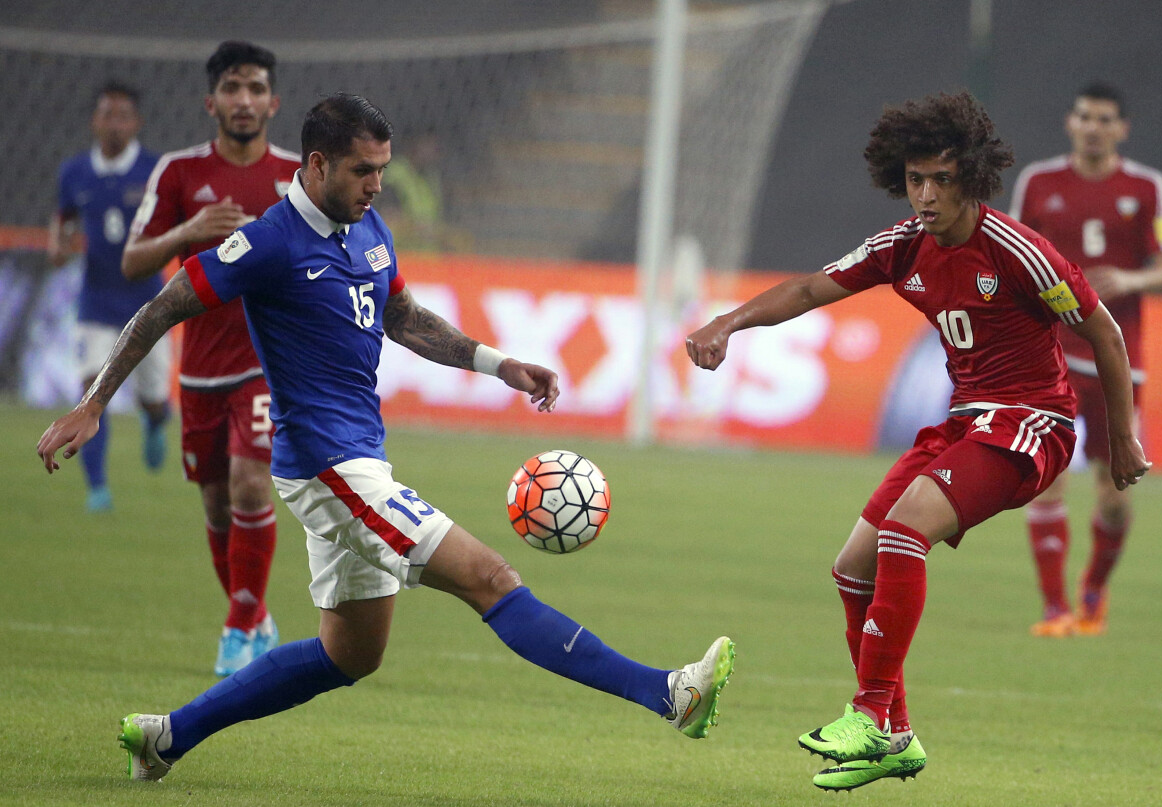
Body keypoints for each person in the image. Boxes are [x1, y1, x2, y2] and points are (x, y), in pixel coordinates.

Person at [38, 92, 735, 784]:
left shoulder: (367, 228)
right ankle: (669, 693)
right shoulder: (268, 241)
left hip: (359, 455)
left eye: (382, 169)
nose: (377, 185)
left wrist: (499, 365)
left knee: (350, 654)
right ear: (316, 164)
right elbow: (162, 306)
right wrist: (93, 402)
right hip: (327, 466)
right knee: (490, 579)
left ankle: (166, 736)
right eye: (362, 170)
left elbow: (403, 316)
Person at [686, 91, 1148, 792]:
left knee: (905, 531)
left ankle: (870, 711)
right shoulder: (903, 246)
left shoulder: (1019, 251)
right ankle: (895, 735)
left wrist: (1120, 439)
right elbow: (812, 290)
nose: (925, 195)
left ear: (969, 174)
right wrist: (728, 321)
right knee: (852, 567)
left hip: (1032, 423)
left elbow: (1105, 333)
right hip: (966, 422)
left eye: (939, 178)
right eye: (913, 180)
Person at [122, 41, 301, 676]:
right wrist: (186, 233)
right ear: (212, 101)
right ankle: (254, 616)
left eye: (256, 88)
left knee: (253, 481)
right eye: (232, 88)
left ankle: (235, 630)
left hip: (266, 362)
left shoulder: (298, 178)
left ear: (273, 102)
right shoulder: (177, 173)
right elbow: (133, 260)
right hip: (198, 365)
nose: (244, 100)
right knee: (217, 504)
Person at [1009, 82, 1162, 638]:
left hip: (1117, 361)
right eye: (1084, 116)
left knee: (1113, 494)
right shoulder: (1038, 181)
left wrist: (1131, 277)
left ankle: (1094, 589)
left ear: (1121, 129)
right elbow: (1014, 250)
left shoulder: (1146, 187)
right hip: (1050, 355)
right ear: (1070, 122)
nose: (1093, 127)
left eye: (1105, 119)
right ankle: (1056, 608)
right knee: (1046, 479)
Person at [48, 81, 168, 513]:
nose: (114, 124)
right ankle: (97, 488)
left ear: (135, 123)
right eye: (106, 114)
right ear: (94, 121)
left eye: (122, 115)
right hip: (96, 301)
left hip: (149, 302)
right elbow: (63, 218)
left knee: (153, 398)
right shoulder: (75, 172)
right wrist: (58, 244)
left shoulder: (154, 170)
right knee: (89, 390)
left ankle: (155, 420)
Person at [379, 128, 471, 253]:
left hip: (428, 260)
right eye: (428, 144)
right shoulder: (395, 175)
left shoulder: (431, 177)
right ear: (412, 145)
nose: (434, 149)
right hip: (403, 258)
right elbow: (391, 220)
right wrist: (441, 235)